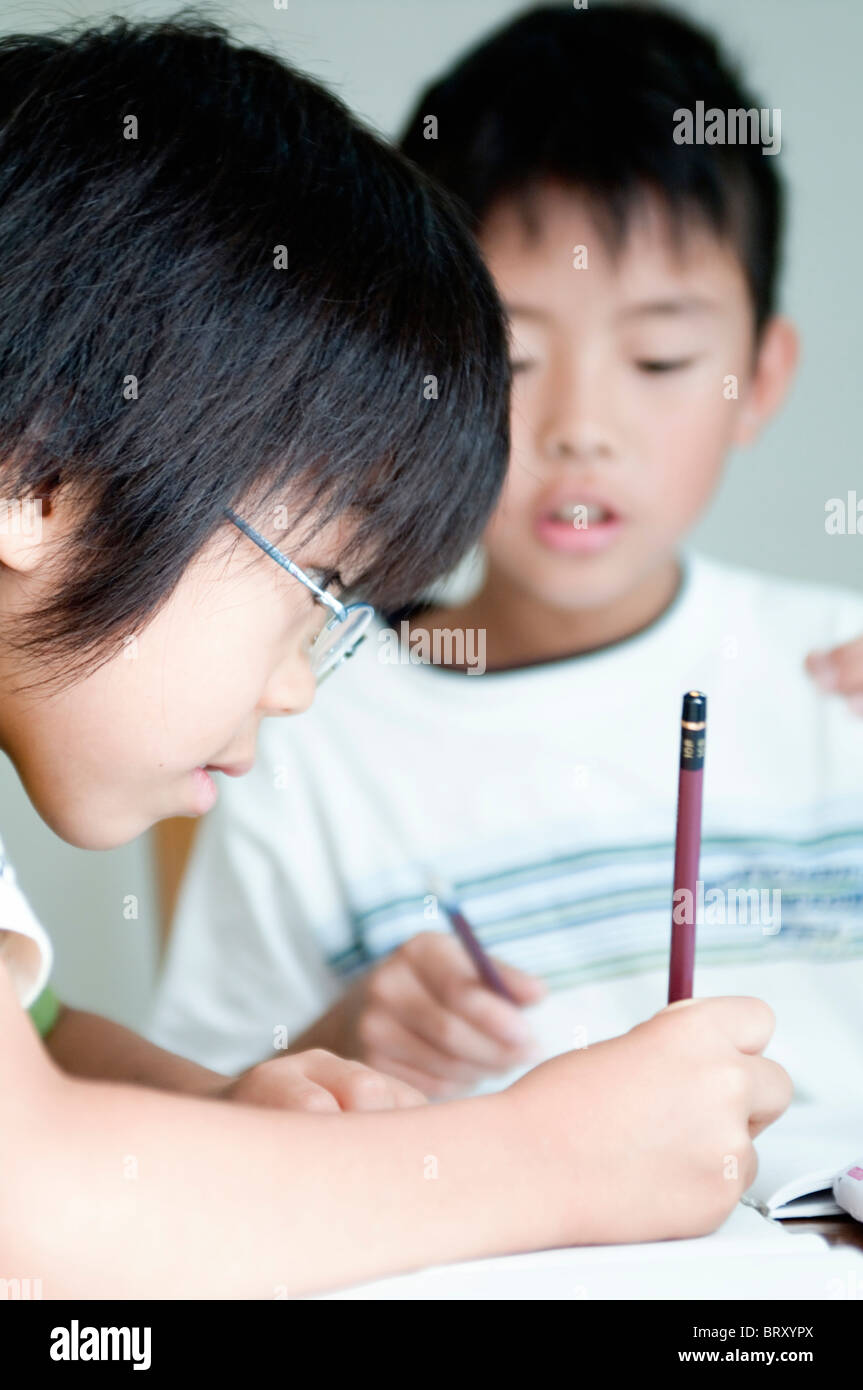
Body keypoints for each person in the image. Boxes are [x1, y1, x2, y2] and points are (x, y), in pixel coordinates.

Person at [149, 5, 863, 1117]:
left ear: (759, 382)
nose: (582, 426)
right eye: (516, 355)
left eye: (660, 356)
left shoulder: (843, 674)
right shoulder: (288, 726)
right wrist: (339, 1045)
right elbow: (199, 1125)